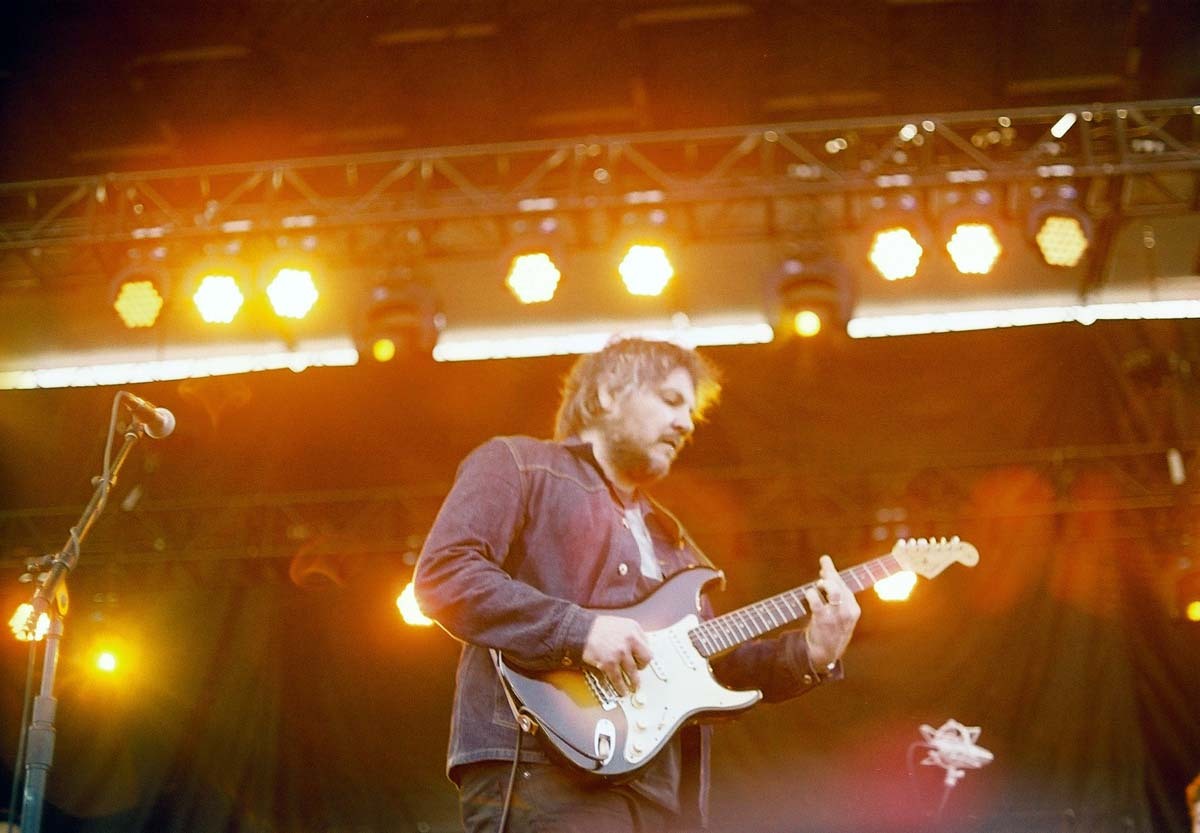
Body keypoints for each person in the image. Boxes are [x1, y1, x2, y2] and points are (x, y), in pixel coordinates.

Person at [414, 337, 861, 832]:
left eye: (691, 411)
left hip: (660, 796)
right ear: (608, 393)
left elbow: (710, 664)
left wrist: (812, 653)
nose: (686, 424)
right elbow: (445, 574)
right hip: (542, 767)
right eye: (670, 401)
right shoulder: (518, 464)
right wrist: (580, 631)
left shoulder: (675, 540)